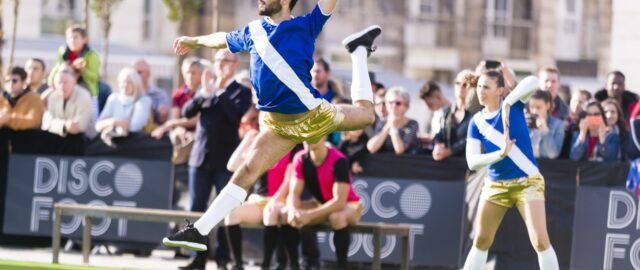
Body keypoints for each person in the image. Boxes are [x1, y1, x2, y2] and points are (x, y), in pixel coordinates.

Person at [163, 0, 381, 254]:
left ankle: (357, 52)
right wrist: (194, 40)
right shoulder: (253, 30)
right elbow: (222, 39)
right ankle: (200, 231)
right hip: (278, 126)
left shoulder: (306, 25)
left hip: (312, 116)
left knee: (367, 115)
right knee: (245, 172)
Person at [463, 72, 559, 270]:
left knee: (540, 240)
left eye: (486, 87)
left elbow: (533, 81)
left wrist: (508, 102)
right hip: (495, 185)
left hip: (528, 182)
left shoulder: (514, 105)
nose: (481, 92)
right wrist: (500, 154)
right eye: (479, 87)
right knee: (481, 241)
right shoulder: (476, 122)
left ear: (500, 90)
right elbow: (472, 162)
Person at [178, 50, 252, 270]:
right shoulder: (206, 89)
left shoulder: (240, 91)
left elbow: (234, 116)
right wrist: (204, 94)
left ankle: (223, 259)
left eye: (225, 61)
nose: (221, 65)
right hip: (200, 159)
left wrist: (219, 92)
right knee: (196, 209)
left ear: (235, 63)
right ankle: (197, 258)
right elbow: (187, 111)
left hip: (225, 160)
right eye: (218, 60)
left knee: (224, 210)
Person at [224, 127, 303, 270]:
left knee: (271, 212)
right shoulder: (257, 145)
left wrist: (275, 200)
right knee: (232, 213)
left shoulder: (293, 145)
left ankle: (266, 265)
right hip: (259, 200)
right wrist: (247, 140)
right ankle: (238, 264)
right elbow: (232, 166)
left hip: (282, 200)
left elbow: (288, 180)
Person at [285, 135, 362, 270]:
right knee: (287, 213)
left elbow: (339, 202)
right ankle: (294, 265)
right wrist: (293, 211)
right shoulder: (300, 158)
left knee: (336, 217)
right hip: (321, 203)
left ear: (324, 136)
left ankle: (341, 267)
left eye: (312, 134)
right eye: (304, 134)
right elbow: (294, 195)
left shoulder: (339, 160)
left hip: (349, 205)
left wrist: (309, 215)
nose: (306, 138)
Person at [41, 62, 92, 155]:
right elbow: (46, 123)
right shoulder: (53, 96)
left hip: (84, 142)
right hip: (59, 136)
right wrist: (64, 125)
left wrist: (57, 124)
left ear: (74, 82)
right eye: (59, 83)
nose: (62, 86)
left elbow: (79, 127)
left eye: (65, 83)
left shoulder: (84, 96)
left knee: (75, 139)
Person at [95, 67, 152, 144]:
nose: (125, 85)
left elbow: (135, 127)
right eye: (123, 82)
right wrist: (114, 122)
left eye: (129, 82)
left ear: (136, 84)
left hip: (137, 145)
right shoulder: (113, 98)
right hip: (114, 145)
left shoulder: (144, 100)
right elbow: (98, 125)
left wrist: (109, 123)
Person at [48, 25, 100, 105]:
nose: (72, 40)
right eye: (69, 38)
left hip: (85, 87)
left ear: (84, 39)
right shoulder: (63, 52)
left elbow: (95, 77)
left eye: (75, 37)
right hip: (64, 86)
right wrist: (51, 79)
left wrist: (83, 70)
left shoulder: (91, 54)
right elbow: (57, 67)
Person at [432, 71, 473, 161]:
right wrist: (437, 145)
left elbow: (470, 139)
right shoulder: (448, 112)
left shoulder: (476, 114)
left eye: (465, 85)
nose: (460, 87)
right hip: (447, 166)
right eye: (458, 83)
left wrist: (450, 151)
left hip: (467, 166)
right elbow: (440, 134)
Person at [367, 86, 420, 155]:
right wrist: (387, 126)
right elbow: (372, 148)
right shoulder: (382, 122)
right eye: (390, 102)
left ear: (406, 106)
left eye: (398, 103)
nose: (394, 106)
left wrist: (393, 127)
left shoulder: (412, 124)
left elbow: (400, 150)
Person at [0, 67, 44, 131]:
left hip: (25, 138)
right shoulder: (2, 99)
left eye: (14, 81)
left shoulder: (34, 98)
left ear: (24, 82)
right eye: (7, 81)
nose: (10, 84)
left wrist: (8, 119)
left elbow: (34, 121)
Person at [526, 90, 565, 159]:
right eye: (531, 107)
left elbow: (553, 155)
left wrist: (545, 130)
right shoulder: (525, 121)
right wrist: (522, 127)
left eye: (538, 107)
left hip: (545, 167)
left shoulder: (558, 124)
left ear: (548, 105)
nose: (534, 111)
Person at [132, 59, 171, 125]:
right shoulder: (126, 94)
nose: (135, 76)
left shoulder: (160, 94)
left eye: (139, 72)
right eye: (133, 73)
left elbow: (163, 118)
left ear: (148, 74)